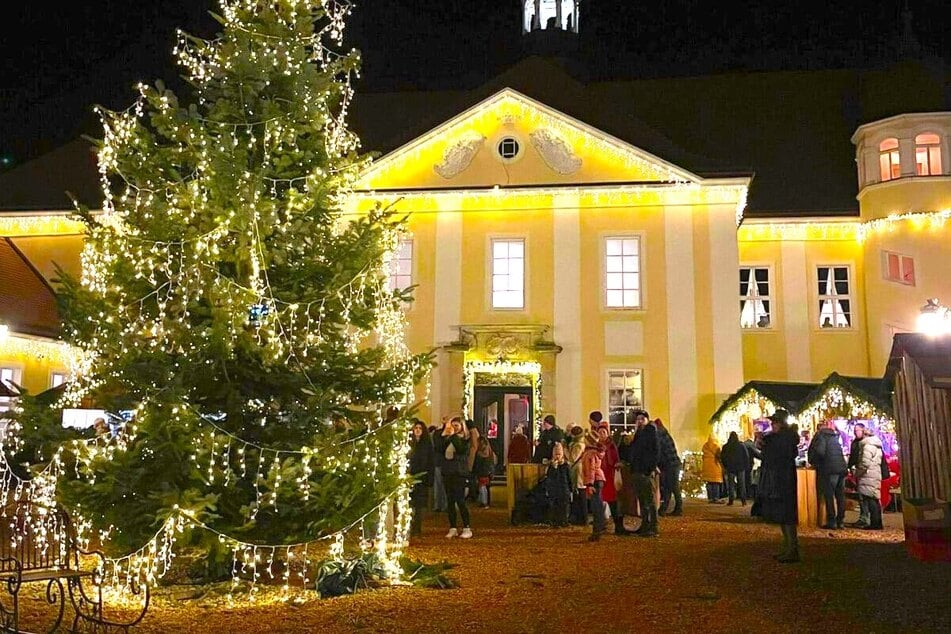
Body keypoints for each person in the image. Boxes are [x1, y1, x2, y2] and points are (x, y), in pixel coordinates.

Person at [758, 409, 800, 563]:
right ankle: (789, 547)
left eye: (774, 422)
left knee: (786, 516)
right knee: (784, 517)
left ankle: (792, 549)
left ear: (781, 424)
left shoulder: (780, 440)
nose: (772, 425)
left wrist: (763, 444)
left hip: (782, 481)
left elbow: (771, 456)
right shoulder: (784, 439)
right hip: (783, 480)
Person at [433, 416, 472, 539]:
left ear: (462, 427)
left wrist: (453, 436)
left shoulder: (465, 439)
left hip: (459, 473)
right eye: (453, 425)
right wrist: (445, 430)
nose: (454, 428)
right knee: (450, 501)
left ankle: (467, 527)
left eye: (457, 426)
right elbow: (439, 447)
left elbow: (460, 450)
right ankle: (453, 527)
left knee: (460, 501)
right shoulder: (448, 439)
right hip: (448, 472)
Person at [807, 420, 848, 529]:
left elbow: (820, 451)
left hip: (829, 469)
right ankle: (841, 521)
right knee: (840, 496)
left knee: (829, 495)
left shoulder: (821, 436)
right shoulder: (834, 437)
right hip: (841, 468)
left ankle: (832, 521)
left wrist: (815, 461)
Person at [625, 411, 659, 537]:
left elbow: (655, 452)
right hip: (637, 470)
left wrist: (649, 469)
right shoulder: (639, 434)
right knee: (643, 500)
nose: (639, 421)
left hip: (644, 471)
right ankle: (645, 525)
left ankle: (653, 526)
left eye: (642, 419)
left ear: (647, 420)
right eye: (637, 419)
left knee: (649, 500)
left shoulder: (650, 432)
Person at [595, 421, 628, 535]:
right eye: (600, 432)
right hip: (600, 475)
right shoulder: (596, 445)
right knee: (600, 503)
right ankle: (601, 525)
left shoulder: (612, 445)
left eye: (604, 432)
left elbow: (616, 458)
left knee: (614, 502)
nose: (602, 434)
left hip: (610, 475)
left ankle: (618, 526)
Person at [408, 420, 435, 536]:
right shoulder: (409, 444)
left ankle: (417, 527)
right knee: (410, 504)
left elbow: (430, 462)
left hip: (422, 478)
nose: (418, 430)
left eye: (420, 428)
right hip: (410, 476)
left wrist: (429, 478)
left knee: (418, 505)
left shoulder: (427, 444)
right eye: (416, 428)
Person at [855, 430, 885, 531]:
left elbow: (865, 463)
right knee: (875, 499)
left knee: (870, 499)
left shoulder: (867, 446)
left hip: (868, 475)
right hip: (875, 473)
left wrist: (857, 472)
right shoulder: (877, 446)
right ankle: (877, 522)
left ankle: (875, 523)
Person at [654, 419, 682, 517]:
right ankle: (666, 508)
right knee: (670, 487)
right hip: (673, 463)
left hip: (670, 464)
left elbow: (659, 452)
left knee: (672, 487)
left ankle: (676, 508)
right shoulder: (664, 434)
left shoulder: (659, 435)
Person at [581, 433, 606, 541]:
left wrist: (590, 484)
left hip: (595, 480)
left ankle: (597, 531)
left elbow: (590, 469)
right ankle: (599, 528)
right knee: (598, 505)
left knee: (596, 506)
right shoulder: (595, 452)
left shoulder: (590, 454)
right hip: (598, 479)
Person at [846, 424, 870, 528]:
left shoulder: (866, 443)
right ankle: (864, 517)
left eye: (858, 430)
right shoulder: (855, 443)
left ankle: (866, 518)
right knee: (861, 496)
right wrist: (850, 467)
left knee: (866, 496)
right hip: (858, 471)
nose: (856, 432)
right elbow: (853, 456)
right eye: (855, 430)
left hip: (866, 472)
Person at [544, 442, 571, 527]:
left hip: (564, 489)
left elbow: (569, 478)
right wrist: (554, 468)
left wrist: (571, 489)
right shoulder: (551, 466)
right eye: (556, 454)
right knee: (554, 505)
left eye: (559, 454)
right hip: (554, 489)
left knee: (564, 506)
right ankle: (554, 521)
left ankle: (564, 520)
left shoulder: (566, 465)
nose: (557, 456)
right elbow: (550, 477)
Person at [720, 431, 751, 506]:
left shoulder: (726, 446)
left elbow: (723, 457)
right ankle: (743, 501)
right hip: (740, 467)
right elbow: (746, 456)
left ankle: (731, 500)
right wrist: (746, 466)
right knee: (741, 484)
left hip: (730, 468)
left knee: (731, 485)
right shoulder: (741, 446)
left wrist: (725, 466)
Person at [566, 425, 588, 525]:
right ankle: (580, 517)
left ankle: (582, 518)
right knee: (578, 494)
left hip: (578, 471)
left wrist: (565, 449)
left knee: (580, 494)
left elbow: (572, 458)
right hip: (577, 470)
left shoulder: (578, 445)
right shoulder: (579, 443)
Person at [473, 437, 497, 508]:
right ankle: (486, 501)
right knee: (486, 487)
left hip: (483, 471)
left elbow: (479, 463)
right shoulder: (489, 451)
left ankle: (484, 501)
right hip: (487, 471)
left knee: (482, 487)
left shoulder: (480, 452)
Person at [701, 435, 724, 503]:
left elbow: (703, 456)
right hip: (715, 465)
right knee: (715, 483)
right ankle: (716, 497)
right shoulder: (716, 447)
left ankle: (710, 498)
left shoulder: (705, 446)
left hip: (706, 466)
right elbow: (719, 456)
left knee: (709, 483)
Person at [465, 419, 480, 500]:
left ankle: (473, 493)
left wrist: (470, 462)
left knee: (472, 477)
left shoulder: (472, 432)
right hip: (474, 458)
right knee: (472, 477)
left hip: (473, 458)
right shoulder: (475, 432)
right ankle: (473, 493)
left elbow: (473, 447)